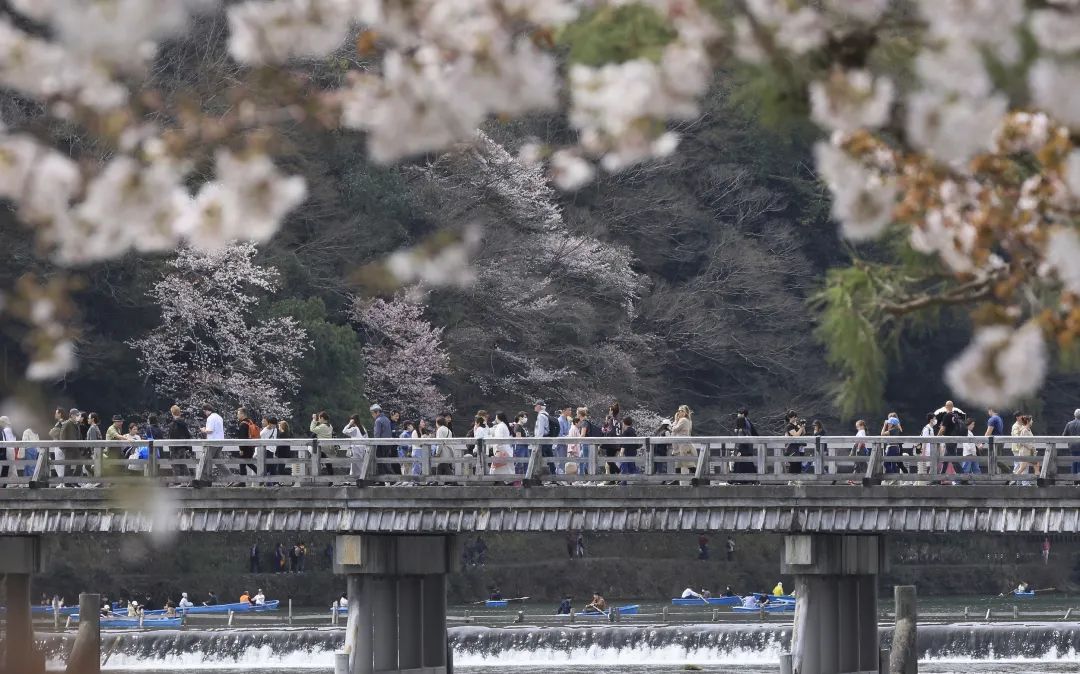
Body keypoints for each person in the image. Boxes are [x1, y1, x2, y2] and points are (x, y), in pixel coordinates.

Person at [168, 405, 193, 478]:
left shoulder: (172, 425)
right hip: (183, 447)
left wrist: (170, 448)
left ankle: (177, 481)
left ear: (172, 413)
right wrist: (188, 447)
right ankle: (188, 480)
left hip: (175, 448)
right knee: (183, 464)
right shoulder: (183, 423)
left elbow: (171, 437)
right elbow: (188, 435)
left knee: (174, 464)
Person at [732, 407, 758, 476]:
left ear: (743, 414)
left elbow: (741, 433)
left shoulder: (742, 421)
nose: (737, 415)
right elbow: (755, 433)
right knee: (748, 463)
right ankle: (752, 479)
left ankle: (738, 479)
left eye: (739, 413)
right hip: (748, 446)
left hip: (743, 445)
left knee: (741, 463)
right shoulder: (748, 421)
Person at [372, 405, 395, 477]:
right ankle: (391, 479)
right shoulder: (386, 419)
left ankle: (386, 480)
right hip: (388, 444)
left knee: (380, 462)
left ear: (377, 412)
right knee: (386, 462)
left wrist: (375, 444)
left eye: (373, 413)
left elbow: (377, 434)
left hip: (381, 444)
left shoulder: (378, 421)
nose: (372, 415)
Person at [671, 405, 694, 478]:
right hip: (682, 444)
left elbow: (674, 429)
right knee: (679, 463)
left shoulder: (683, 420)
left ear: (685, 413)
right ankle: (676, 480)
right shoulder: (688, 420)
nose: (679, 412)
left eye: (681, 411)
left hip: (682, 445)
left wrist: (675, 420)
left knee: (687, 463)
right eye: (679, 411)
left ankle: (697, 477)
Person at [489, 411, 514, 476]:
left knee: (497, 468)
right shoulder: (505, 425)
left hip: (501, 450)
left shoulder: (500, 426)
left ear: (498, 417)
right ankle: (508, 481)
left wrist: (497, 449)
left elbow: (498, 439)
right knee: (506, 468)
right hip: (506, 449)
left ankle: (498, 481)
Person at [535, 401, 556, 475]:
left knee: (539, 458)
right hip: (548, 438)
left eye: (536, 405)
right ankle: (553, 475)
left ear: (539, 406)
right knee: (550, 458)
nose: (534, 407)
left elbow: (540, 430)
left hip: (543, 439)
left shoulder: (541, 416)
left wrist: (538, 441)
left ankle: (541, 477)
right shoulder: (546, 414)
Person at [309, 411, 334, 476]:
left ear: (322, 418)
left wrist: (314, 420)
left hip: (322, 449)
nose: (319, 419)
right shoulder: (330, 426)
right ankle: (331, 481)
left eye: (319, 418)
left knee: (309, 447)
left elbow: (312, 429)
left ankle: (318, 463)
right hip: (328, 448)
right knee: (329, 465)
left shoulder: (322, 426)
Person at [601, 402, 622, 475]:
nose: (609, 412)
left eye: (610, 410)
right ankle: (613, 479)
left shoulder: (611, 420)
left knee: (609, 460)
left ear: (612, 411)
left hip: (611, 443)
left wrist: (605, 423)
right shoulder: (619, 420)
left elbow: (606, 430)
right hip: (618, 442)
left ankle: (619, 472)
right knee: (611, 460)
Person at [1014, 414, 1035, 479]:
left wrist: (1033, 449)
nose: (1032, 421)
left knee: (1035, 465)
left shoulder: (1028, 429)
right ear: (1028, 421)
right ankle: (1012, 480)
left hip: (1028, 452)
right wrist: (1030, 447)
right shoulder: (1024, 430)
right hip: (1024, 451)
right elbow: (1022, 441)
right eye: (1031, 420)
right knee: (1022, 468)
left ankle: (1038, 480)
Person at [1063, 409, 1080, 475]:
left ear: (1074, 415)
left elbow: (1064, 436)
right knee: (1079, 462)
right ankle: (1078, 480)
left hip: (1072, 446)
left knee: (1074, 461)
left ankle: (1074, 479)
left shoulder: (1069, 424)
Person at [0, 415, 15, 481]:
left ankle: (8, 482)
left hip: (7, 450)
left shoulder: (5, 430)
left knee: (7, 467)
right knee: (12, 467)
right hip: (11, 450)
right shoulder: (11, 429)